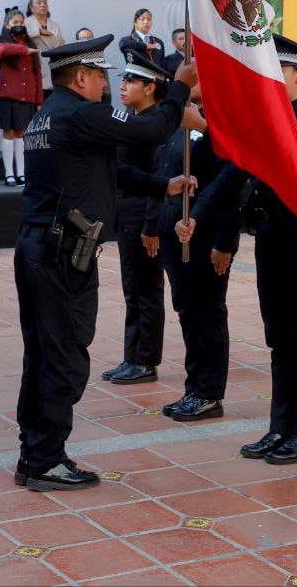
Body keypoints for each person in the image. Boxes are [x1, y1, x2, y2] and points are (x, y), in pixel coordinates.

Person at [13, 34, 195, 492]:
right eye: (100, 77)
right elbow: (151, 130)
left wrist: (161, 186)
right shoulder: (80, 111)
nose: (105, 86)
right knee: (65, 356)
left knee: (41, 354)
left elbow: (108, 173)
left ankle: (34, 452)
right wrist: (179, 87)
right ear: (81, 77)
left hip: (38, 248)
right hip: (61, 256)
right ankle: (47, 459)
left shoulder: (47, 115)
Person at [238, 35, 297, 465]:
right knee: (279, 337)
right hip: (273, 233)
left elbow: (275, 152)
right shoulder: (271, 117)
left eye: (279, 70)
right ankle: (281, 425)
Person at [159, 87, 244, 422]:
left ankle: (209, 392)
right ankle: (195, 387)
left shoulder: (224, 130)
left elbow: (230, 188)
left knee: (208, 313)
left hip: (208, 235)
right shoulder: (185, 128)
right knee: (188, 311)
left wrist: (225, 244)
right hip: (180, 234)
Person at [102, 52, 174, 386]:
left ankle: (145, 360)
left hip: (144, 215)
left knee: (146, 289)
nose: (123, 86)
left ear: (150, 88)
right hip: (127, 213)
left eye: (131, 81)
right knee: (133, 288)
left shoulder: (155, 126)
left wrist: (151, 226)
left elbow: (158, 181)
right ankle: (133, 356)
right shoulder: (134, 120)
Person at [0, 8, 42, 186]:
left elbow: (37, 74)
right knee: (9, 133)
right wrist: (24, 50)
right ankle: (9, 174)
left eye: (21, 23)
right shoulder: (0, 42)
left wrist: (39, 101)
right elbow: (1, 50)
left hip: (27, 96)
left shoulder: (31, 44)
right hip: (8, 96)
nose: (19, 26)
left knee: (22, 135)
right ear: (7, 25)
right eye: (15, 23)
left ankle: (21, 173)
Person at [26, 0, 64, 93]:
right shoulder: (26, 23)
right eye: (39, 2)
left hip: (55, 70)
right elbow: (19, 40)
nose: (43, 5)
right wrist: (38, 32)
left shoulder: (56, 26)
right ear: (31, 8)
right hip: (35, 69)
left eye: (45, 2)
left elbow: (62, 46)